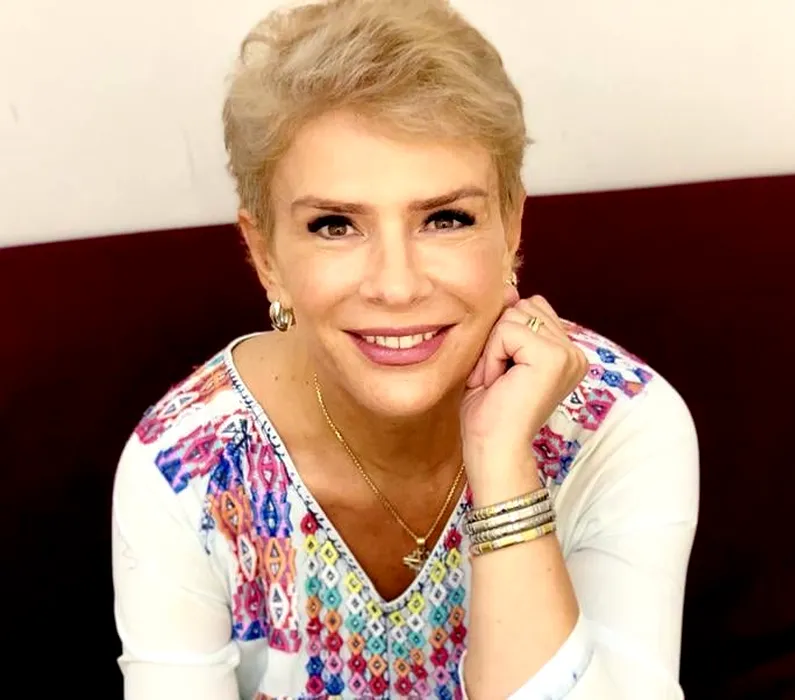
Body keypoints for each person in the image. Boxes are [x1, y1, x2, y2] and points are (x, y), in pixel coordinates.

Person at [111, 0, 699, 697]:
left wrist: (503, 470)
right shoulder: (186, 467)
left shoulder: (618, 426)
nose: (396, 286)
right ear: (265, 254)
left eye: (445, 218)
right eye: (335, 225)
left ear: (511, 225)